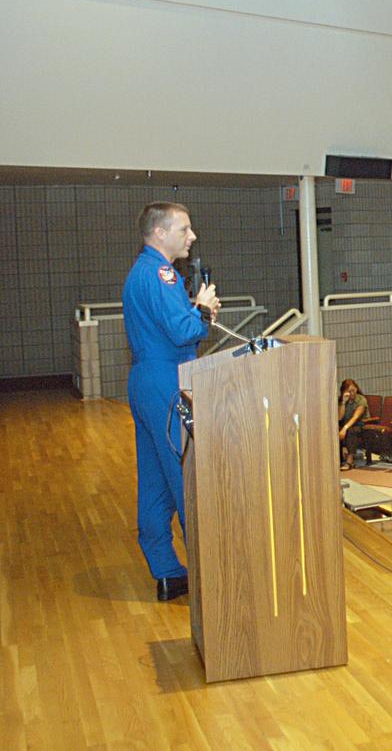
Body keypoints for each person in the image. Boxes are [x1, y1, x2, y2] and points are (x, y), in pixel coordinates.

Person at [123, 202, 220, 601]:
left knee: (156, 480)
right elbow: (183, 331)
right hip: (167, 380)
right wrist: (204, 310)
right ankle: (209, 574)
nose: (191, 236)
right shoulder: (161, 274)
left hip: (146, 379)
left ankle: (166, 570)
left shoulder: (140, 273)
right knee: (186, 476)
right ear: (160, 233)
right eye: (185, 228)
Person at [338, 379, 368, 470]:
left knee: (351, 431)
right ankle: (338, 459)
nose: (352, 393)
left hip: (359, 424)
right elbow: (339, 418)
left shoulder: (361, 399)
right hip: (345, 424)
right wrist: (343, 403)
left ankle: (349, 461)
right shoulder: (342, 400)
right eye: (349, 391)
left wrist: (345, 428)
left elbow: (355, 417)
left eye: (353, 390)